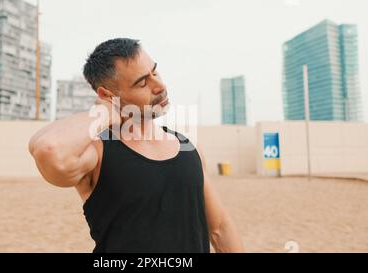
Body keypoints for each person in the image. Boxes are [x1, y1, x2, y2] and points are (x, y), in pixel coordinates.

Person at [28, 38, 244, 253]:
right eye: (142, 82)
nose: (159, 86)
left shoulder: (188, 147)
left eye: (155, 72)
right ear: (107, 94)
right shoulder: (97, 152)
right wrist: (104, 113)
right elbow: (48, 148)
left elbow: (219, 229)